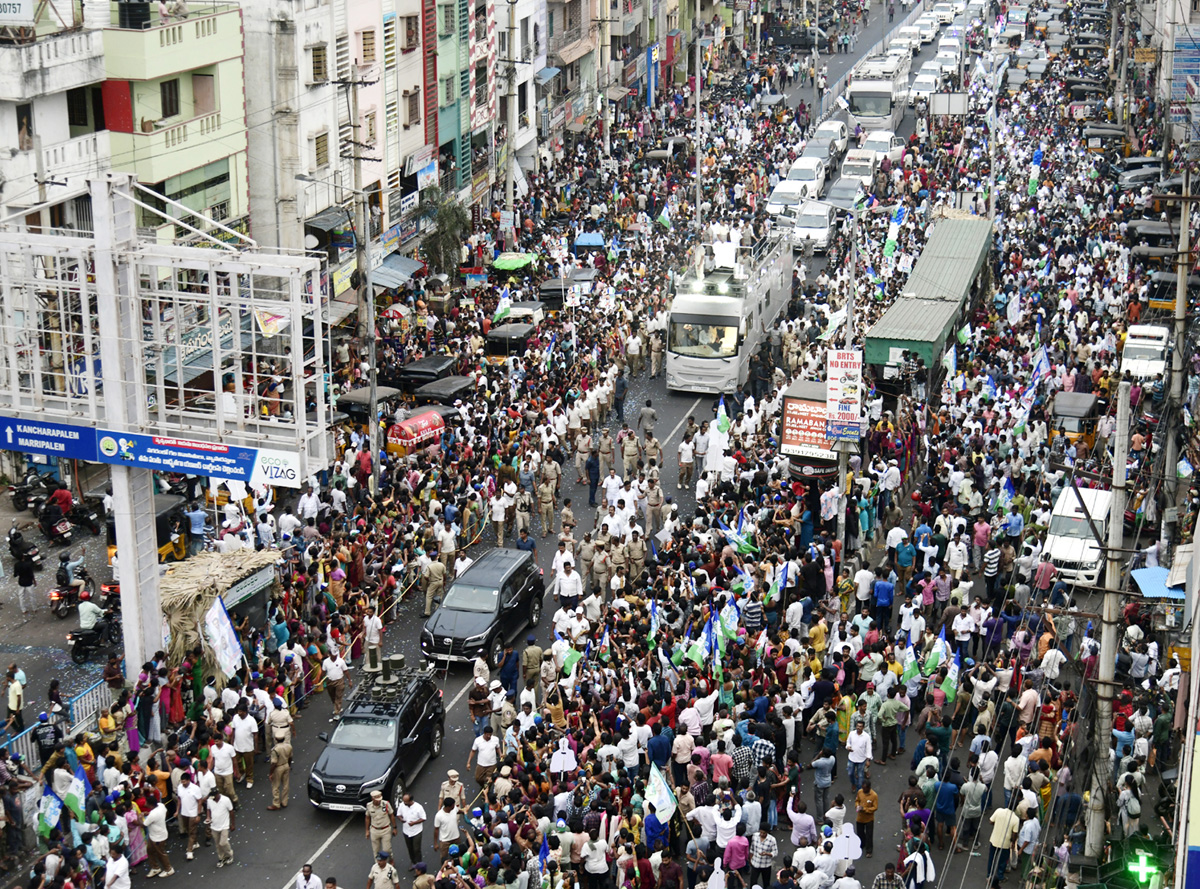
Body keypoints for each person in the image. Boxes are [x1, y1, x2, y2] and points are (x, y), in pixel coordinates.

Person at [204, 788, 236, 867]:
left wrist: (232, 824)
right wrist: (208, 817)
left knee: (223, 842)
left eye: (214, 797)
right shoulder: (210, 800)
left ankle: (229, 855)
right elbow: (208, 809)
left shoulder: (226, 800)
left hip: (224, 825)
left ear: (217, 794)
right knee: (218, 844)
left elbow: (231, 812)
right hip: (214, 826)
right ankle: (222, 858)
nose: (213, 799)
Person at [365, 789, 397, 857]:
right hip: (374, 830)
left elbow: (391, 815)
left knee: (387, 849)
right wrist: (367, 830)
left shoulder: (386, 804)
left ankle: (390, 858)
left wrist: (394, 827)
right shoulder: (369, 806)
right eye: (377, 799)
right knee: (376, 850)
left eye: (380, 799)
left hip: (385, 829)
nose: (379, 801)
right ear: (372, 799)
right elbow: (367, 817)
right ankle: (378, 864)